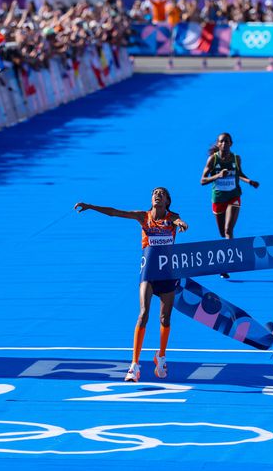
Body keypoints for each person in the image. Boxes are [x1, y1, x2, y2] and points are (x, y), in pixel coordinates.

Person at [74, 187, 188, 382]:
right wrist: (91, 206)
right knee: (143, 313)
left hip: (168, 272)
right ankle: (134, 365)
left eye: (161, 193)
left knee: (165, 318)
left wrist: (181, 223)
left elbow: (178, 221)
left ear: (167, 201)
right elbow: (115, 212)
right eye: (154, 193)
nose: (157, 195)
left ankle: (160, 356)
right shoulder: (143, 217)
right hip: (149, 271)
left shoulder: (172, 217)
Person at [200, 132, 259, 278]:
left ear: (231, 144)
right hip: (218, 198)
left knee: (228, 230)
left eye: (227, 141)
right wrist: (218, 176)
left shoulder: (236, 158)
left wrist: (249, 181)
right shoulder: (212, 160)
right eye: (222, 141)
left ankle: (226, 264)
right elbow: (202, 180)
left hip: (234, 196)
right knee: (222, 233)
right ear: (218, 144)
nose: (224, 144)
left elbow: (239, 173)